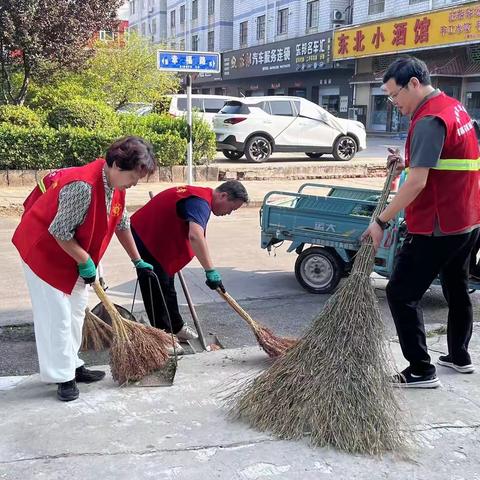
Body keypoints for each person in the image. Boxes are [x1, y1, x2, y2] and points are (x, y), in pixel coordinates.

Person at [362, 56, 480, 388]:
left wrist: (380, 221)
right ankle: (459, 355)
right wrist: (409, 162)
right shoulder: (453, 107)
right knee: (456, 286)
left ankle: (420, 370)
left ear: (413, 84)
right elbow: (446, 160)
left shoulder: (428, 119)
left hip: (438, 225)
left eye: (394, 94)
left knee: (400, 292)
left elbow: (417, 184)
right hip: (468, 220)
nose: (393, 103)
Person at [12, 136, 157, 402]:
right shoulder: (83, 187)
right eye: (134, 177)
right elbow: (59, 231)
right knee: (56, 315)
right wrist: (85, 260)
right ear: (115, 165)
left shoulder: (116, 185)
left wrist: (137, 260)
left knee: (77, 310)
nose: (135, 183)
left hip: (73, 251)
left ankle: (72, 364)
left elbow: (121, 223)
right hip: (44, 252)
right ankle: (61, 376)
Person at [130, 180, 249, 349]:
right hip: (146, 235)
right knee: (155, 286)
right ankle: (161, 336)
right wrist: (210, 271)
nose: (229, 213)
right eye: (231, 208)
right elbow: (195, 236)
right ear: (224, 195)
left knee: (168, 284)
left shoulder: (203, 196)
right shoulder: (200, 202)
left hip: (160, 237)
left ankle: (176, 327)